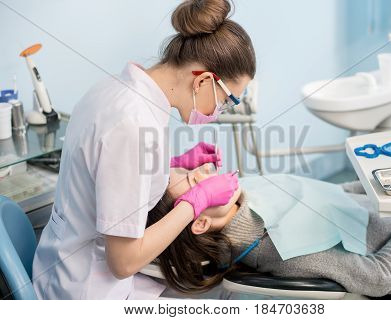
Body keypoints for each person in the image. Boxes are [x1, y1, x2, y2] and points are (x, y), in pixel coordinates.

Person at [32, 0, 255, 299]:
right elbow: (123, 262)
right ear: (203, 80)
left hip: (60, 261)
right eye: (227, 101)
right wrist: (195, 201)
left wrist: (167, 164)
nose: (220, 111)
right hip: (84, 292)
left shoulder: (116, 88)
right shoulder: (133, 124)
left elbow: (109, 172)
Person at [146, 165, 391, 297]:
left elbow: (333, 193)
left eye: (187, 169)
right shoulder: (280, 249)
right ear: (199, 222)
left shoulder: (249, 195)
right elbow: (380, 277)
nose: (202, 170)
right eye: (192, 181)